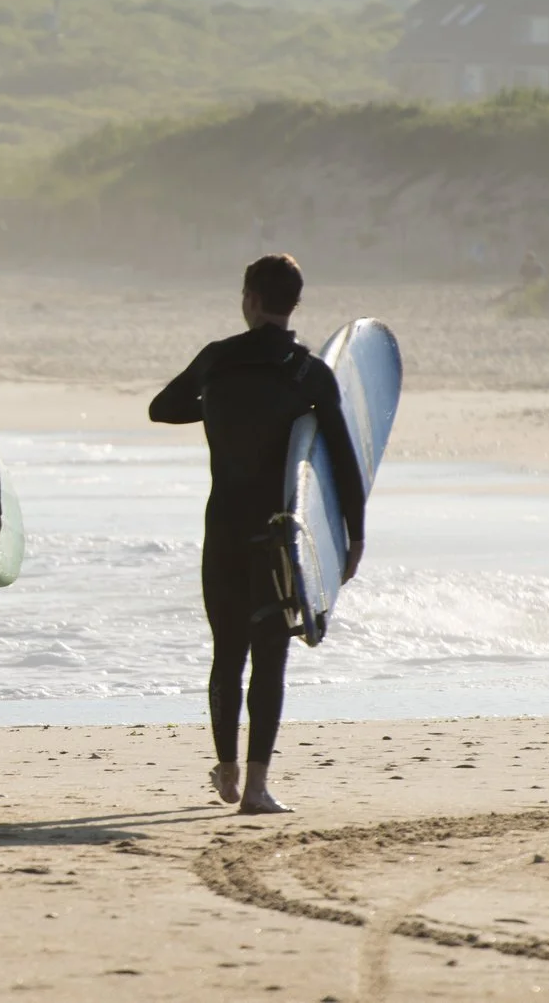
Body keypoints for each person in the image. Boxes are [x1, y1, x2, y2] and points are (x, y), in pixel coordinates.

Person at [148, 254, 364, 815]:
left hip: (223, 528)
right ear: (295, 304)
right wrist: (354, 537)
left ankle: (226, 769)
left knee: (227, 652)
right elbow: (343, 461)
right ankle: (258, 787)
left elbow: (162, 408)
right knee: (270, 658)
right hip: (279, 538)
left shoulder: (217, 359)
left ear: (249, 298)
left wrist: (222, 408)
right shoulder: (309, 374)